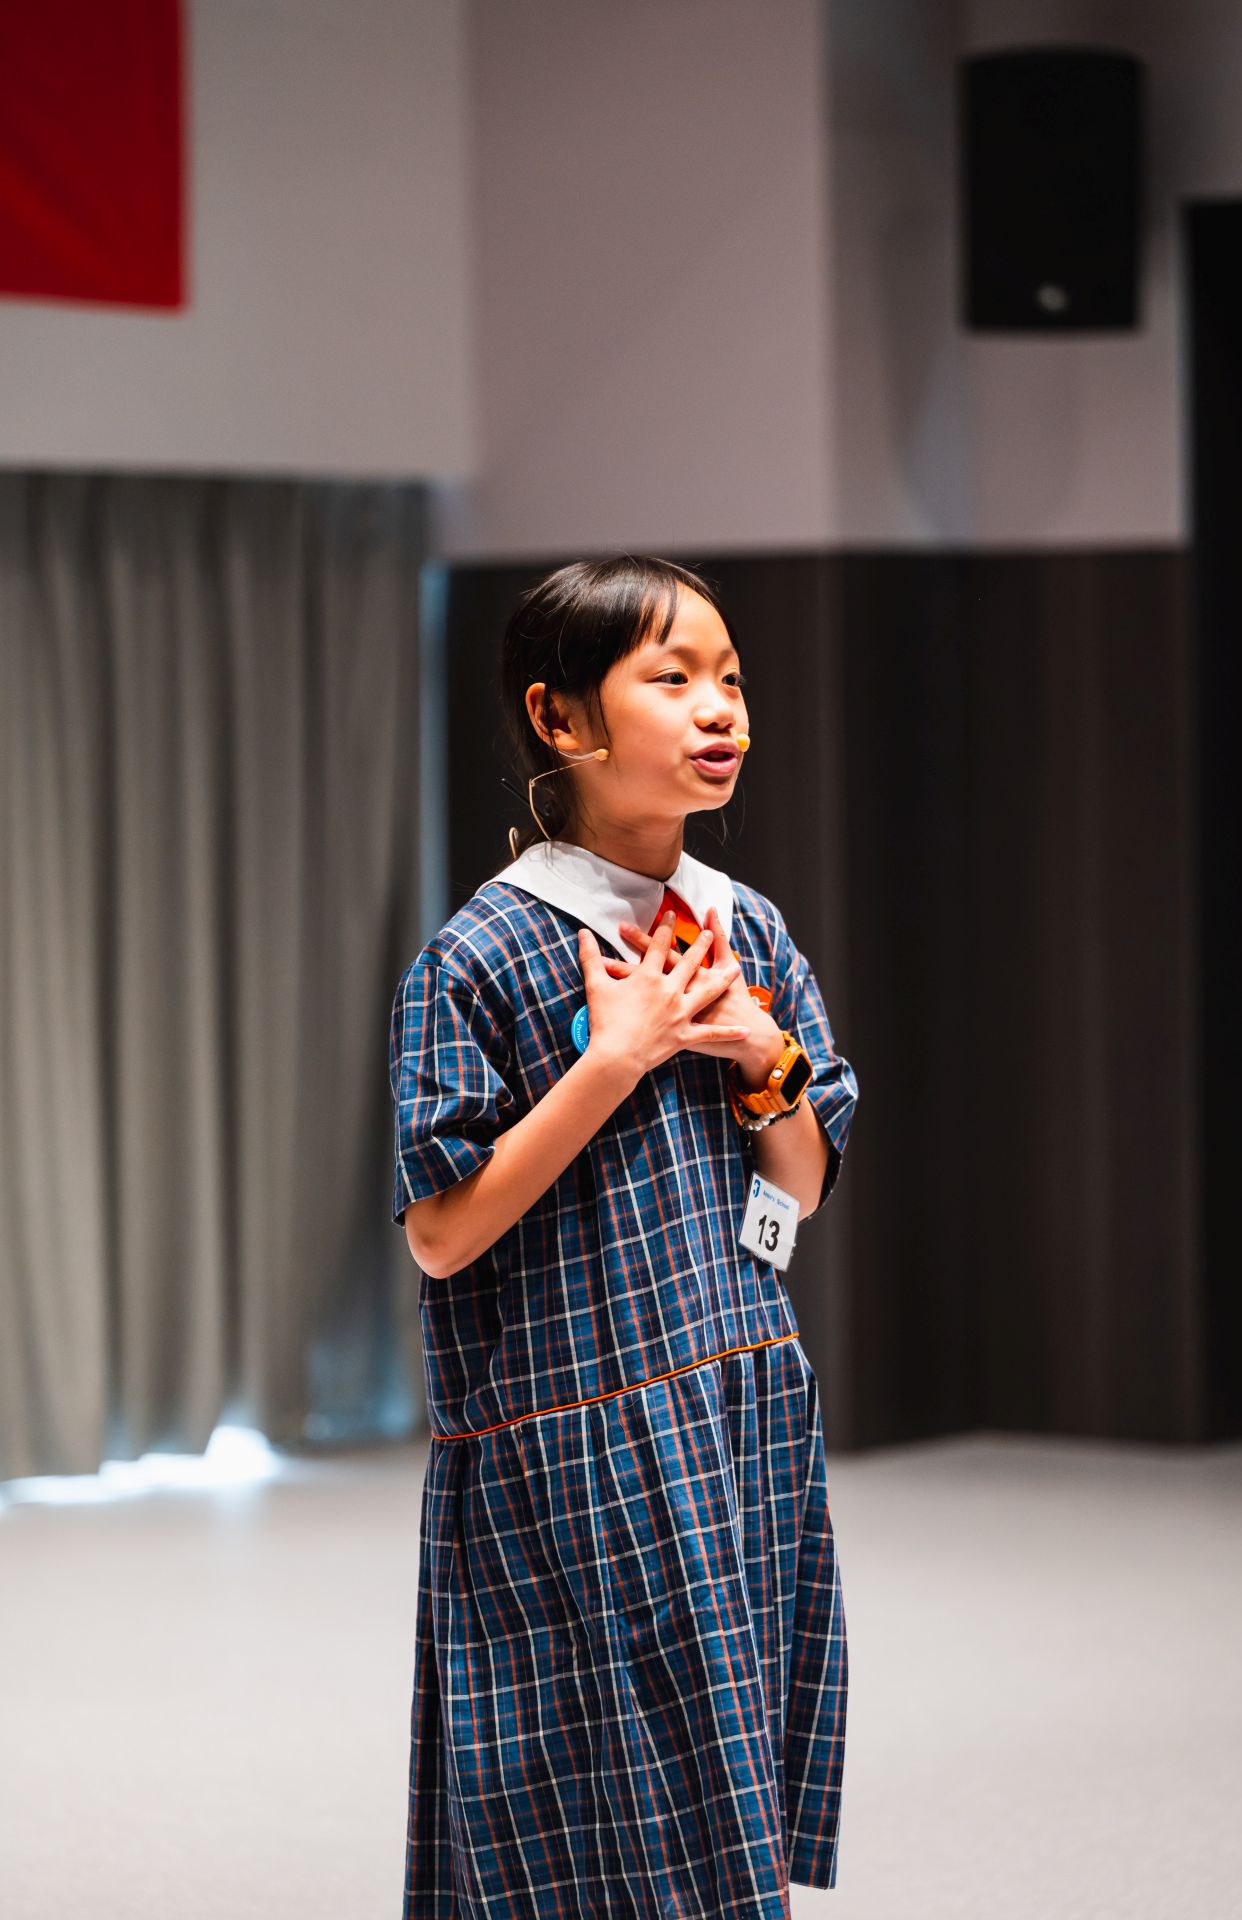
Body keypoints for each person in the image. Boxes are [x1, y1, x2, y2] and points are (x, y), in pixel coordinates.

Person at [388, 555, 859, 1919]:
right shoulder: (482, 955)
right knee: (574, 1826)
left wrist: (764, 1055)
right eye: (674, 678)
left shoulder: (744, 925)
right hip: (569, 1440)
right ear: (562, 719)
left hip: (735, 1402)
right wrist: (615, 1059)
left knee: (723, 1814)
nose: (721, 709)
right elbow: (440, 1234)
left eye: (732, 679)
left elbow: (802, 1184)